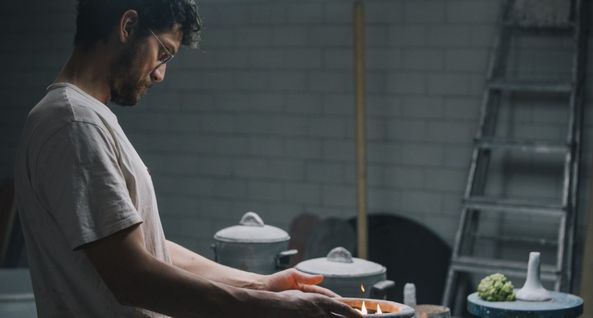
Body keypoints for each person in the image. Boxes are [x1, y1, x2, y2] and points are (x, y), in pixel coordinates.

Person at [13, 1, 361, 317]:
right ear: (128, 26)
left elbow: (146, 250)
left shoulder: (81, 118)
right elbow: (133, 278)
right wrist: (273, 308)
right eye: (163, 52)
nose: (160, 74)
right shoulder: (73, 122)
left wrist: (263, 284)